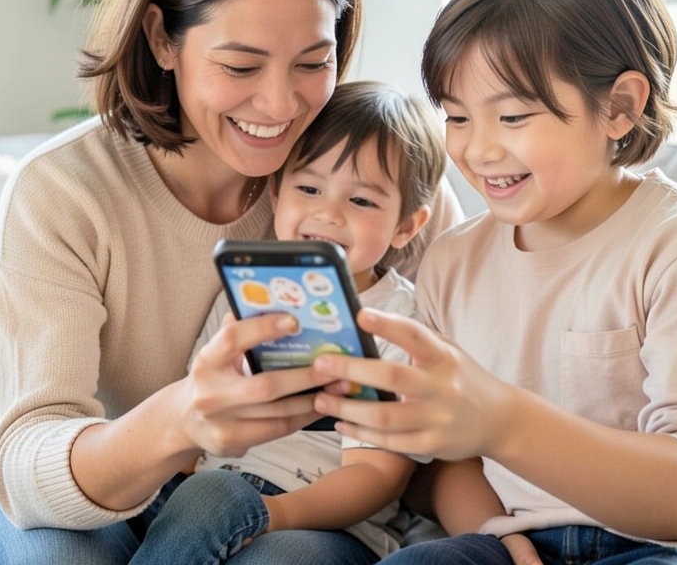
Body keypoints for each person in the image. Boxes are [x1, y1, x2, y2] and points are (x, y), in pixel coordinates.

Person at [0, 0, 462, 565]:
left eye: (314, 62)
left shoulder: (375, 184)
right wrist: (181, 420)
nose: (281, 105)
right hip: (31, 496)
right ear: (163, 39)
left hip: (261, 493)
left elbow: (459, 406)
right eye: (240, 65)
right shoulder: (65, 191)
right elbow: (28, 462)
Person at [308, 0, 677, 565]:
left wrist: (503, 421)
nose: (478, 151)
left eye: (513, 117)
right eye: (457, 116)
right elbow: (448, 469)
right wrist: (505, 542)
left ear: (618, 108)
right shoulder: (451, 264)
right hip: (530, 539)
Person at [131, 80, 446, 564]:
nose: (327, 213)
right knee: (194, 496)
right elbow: (197, 407)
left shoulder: (400, 324)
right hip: (204, 498)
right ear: (276, 193)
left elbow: (377, 475)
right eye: (309, 188)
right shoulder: (248, 288)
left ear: (407, 226)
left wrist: (274, 514)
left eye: (361, 201)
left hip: (327, 527)